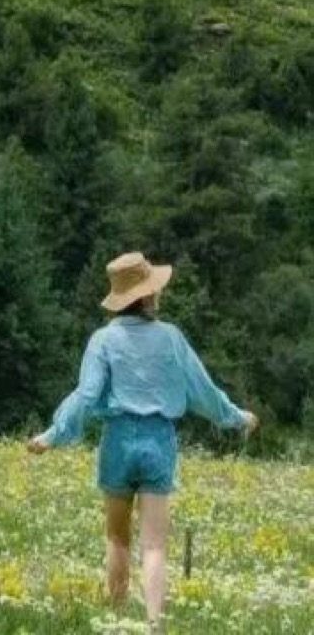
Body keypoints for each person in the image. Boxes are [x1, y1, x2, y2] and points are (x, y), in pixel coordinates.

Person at [27, 251, 257, 630]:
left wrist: (53, 434)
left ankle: (115, 620)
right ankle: (155, 625)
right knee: (154, 545)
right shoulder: (171, 338)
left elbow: (86, 395)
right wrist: (236, 417)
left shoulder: (102, 339)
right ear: (149, 296)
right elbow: (203, 390)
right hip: (157, 442)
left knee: (117, 539)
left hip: (117, 440)